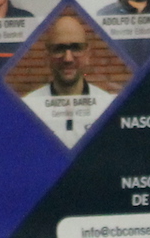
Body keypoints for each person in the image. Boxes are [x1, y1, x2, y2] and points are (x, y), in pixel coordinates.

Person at [21, 13, 117, 146]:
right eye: (59, 49)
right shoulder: (28, 109)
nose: (68, 58)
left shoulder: (108, 107)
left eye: (76, 48)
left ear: (88, 54)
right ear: (47, 56)